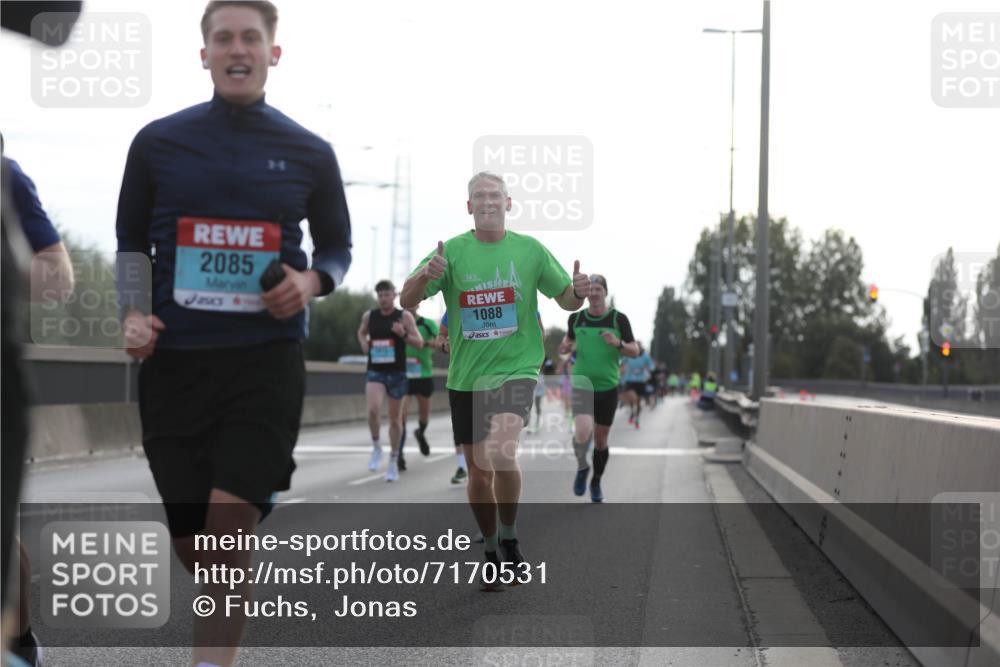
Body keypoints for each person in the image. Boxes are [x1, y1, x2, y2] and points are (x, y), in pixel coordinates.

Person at [115, 3, 352, 665]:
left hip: (265, 362)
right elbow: (131, 240)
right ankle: (245, 514)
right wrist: (132, 312)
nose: (238, 48)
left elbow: (336, 247)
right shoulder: (157, 142)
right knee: (197, 542)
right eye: (224, 38)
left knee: (224, 531)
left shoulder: (309, 150)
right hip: (176, 363)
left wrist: (311, 284)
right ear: (205, 53)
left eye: (252, 37)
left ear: (274, 53)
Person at [400, 171, 590, 590]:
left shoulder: (530, 250)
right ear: (469, 206)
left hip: (517, 368)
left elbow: (565, 298)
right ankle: (489, 547)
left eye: (495, 195)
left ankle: (511, 537)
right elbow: (407, 300)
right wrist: (425, 276)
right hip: (467, 377)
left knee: (503, 452)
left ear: (509, 203)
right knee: (479, 473)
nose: (487, 201)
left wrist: (578, 292)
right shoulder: (449, 253)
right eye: (479, 196)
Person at [558, 274, 638, 502]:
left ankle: (596, 481)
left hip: (608, 387)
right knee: (582, 432)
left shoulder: (618, 319)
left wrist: (618, 343)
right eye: (590, 289)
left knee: (601, 440)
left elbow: (634, 350)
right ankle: (583, 468)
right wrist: (564, 347)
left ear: (605, 293)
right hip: (582, 384)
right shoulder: (576, 319)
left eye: (597, 290)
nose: (593, 293)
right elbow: (567, 345)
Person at [358, 280, 423, 480]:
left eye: (387, 295)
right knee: (372, 410)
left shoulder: (404, 317)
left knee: (395, 419)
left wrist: (402, 334)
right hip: (376, 370)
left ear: (394, 296)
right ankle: (377, 447)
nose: (383, 299)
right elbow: (361, 332)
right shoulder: (370, 316)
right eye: (380, 295)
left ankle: (394, 459)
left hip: (397, 373)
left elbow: (419, 343)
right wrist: (364, 344)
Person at [399, 305, 440, 465]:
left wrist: (423, 343)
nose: (409, 307)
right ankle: (399, 454)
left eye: (412, 303)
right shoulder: (398, 324)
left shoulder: (428, 324)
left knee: (424, 415)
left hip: (423, 374)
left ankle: (420, 433)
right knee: (401, 415)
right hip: (403, 375)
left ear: (417, 305)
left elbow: (439, 343)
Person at [437, 312, 468, 483]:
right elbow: (441, 337)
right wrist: (444, 345)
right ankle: (462, 466)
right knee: (461, 431)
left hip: (498, 377)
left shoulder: (505, 294)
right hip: (461, 378)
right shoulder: (457, 303)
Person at [621, 342, 655, 429]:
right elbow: (621, 362)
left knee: (639, 402)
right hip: (630, 380)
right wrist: (621, 368)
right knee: (632, 397)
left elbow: (652, 365)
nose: (637, 349)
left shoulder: (645, 356)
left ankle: (637, 419)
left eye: (638, 347)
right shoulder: (628, 355)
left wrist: (648, 369)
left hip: (640, 381)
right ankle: (632, 411)